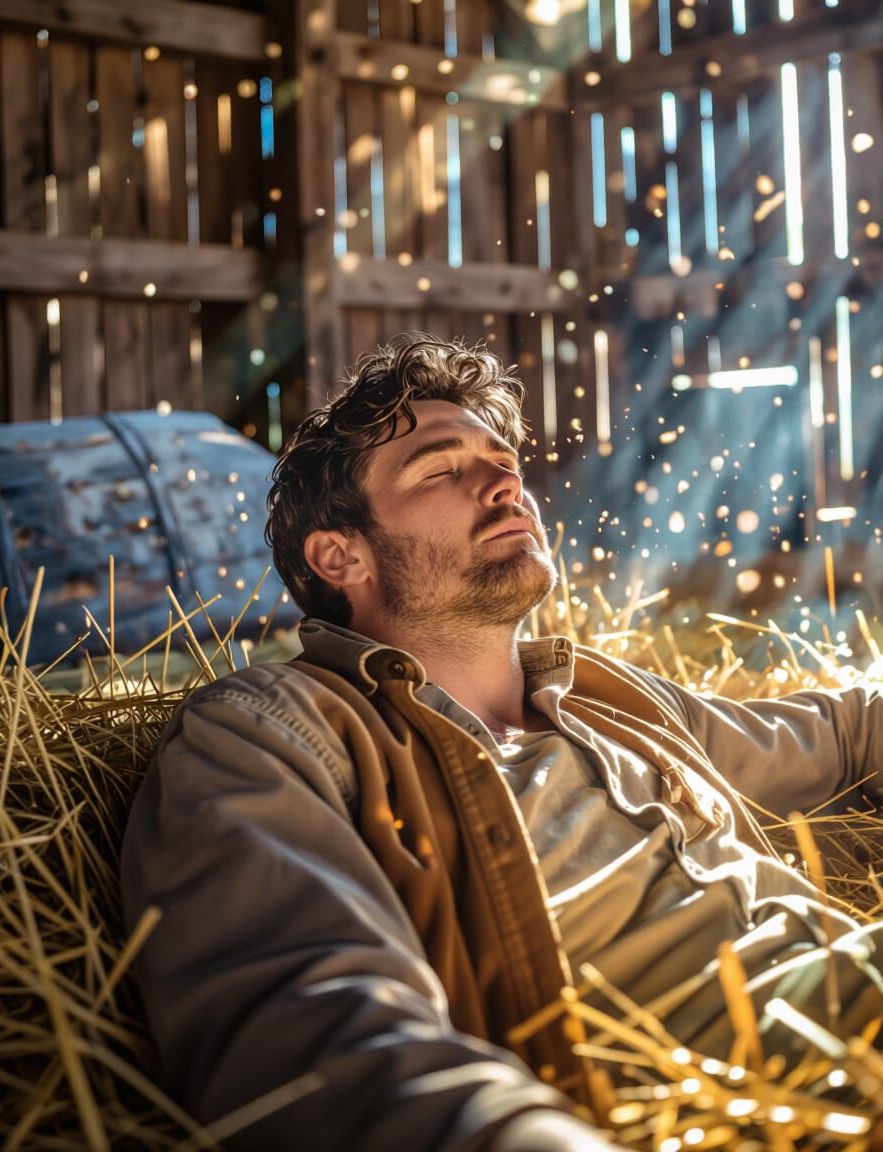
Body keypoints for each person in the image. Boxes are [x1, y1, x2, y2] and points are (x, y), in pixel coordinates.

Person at [121, 333, 883, 1151]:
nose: (506, 481)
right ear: (342, 555)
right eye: (443, 468)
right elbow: (319, 1034)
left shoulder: (604, 697)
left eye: (502, 457)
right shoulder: (273, 730)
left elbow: (844, 734)